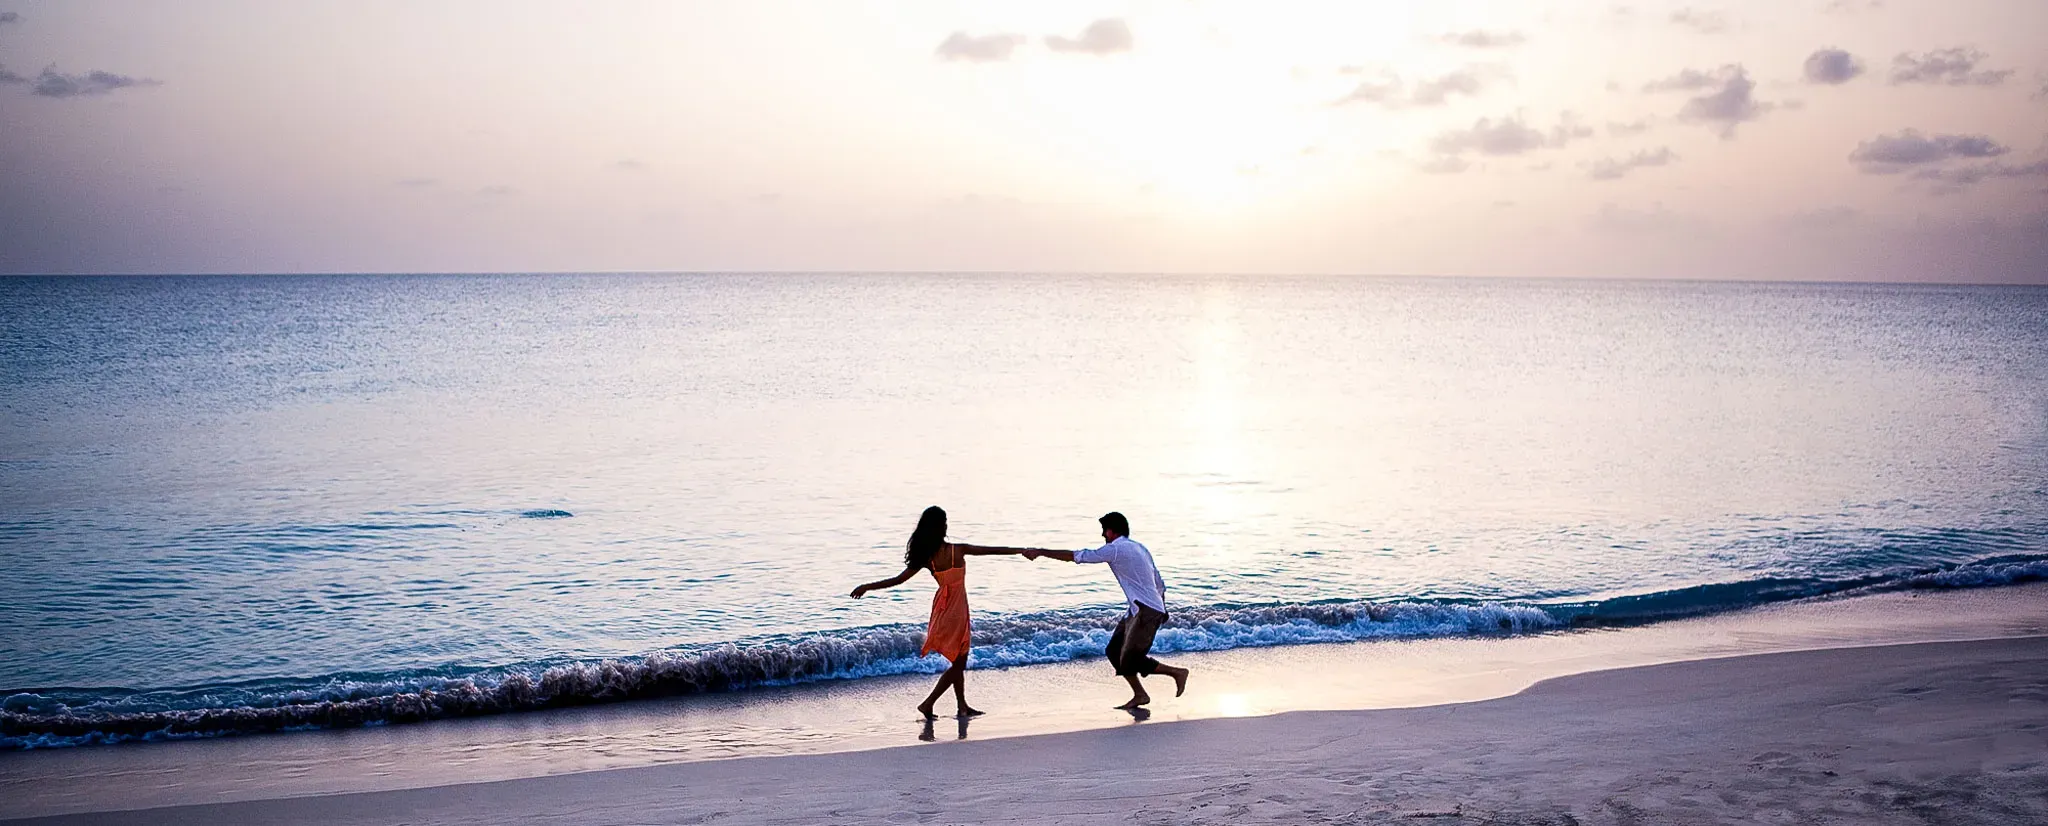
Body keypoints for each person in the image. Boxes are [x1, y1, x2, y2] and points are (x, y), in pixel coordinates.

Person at [850, 506, 1048, 718]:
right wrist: (1021, 550)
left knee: (958, 660)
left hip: (944, 610)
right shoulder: (957, 550)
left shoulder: (928, 558)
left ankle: (962, 706)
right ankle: (928, 703)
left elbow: (898, 580)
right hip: (956, 611)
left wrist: (867, 586)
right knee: (960, 661)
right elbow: (991, 550)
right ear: (942, 527)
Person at [1026, 511, 1189, 709]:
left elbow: (1078, 556)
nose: (1103, 536)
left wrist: (1041, 552)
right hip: (1139, 610)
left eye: (1105, 531)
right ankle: (1140, 694)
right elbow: (1159, 582)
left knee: (1131, 658)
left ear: (1112, 531)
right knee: (1113, 650)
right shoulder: (1140, 548)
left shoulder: (1115, 549)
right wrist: (1163, 606)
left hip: (1147, 611)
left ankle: (1177, 673)